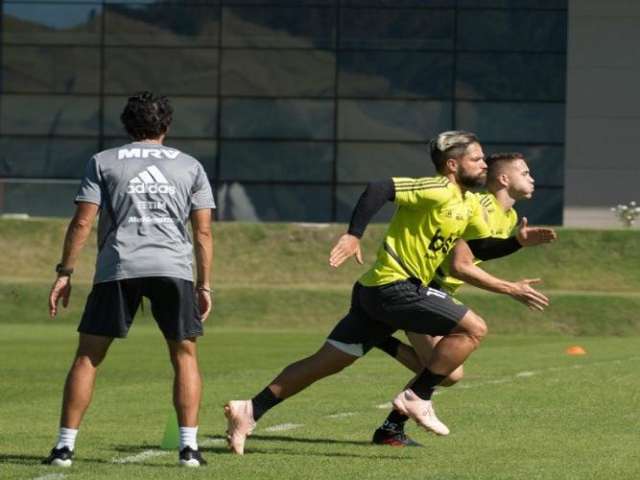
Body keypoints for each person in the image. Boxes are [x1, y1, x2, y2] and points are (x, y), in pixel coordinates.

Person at [224, 131, 555, 455]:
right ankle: (416, 397)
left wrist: (516, 243)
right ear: (452, 165)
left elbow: (476, 249)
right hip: (395, 286)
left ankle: (250, 410)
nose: (484, 164)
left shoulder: (466, 203)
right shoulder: (437, 187)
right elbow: (379, 188)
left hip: (378, 294)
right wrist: (354, 236)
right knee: (473, 328)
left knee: (325, 363)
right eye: (477, 159)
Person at [42, 92, 215, 468]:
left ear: (127, 125)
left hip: (118, 266)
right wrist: (203, 284)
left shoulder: (103, 161)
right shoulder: (190, 166)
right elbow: (202, 234)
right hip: (174, 268)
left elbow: (83, 222)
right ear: (166, 125)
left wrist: (64, 273)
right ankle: (189, 449)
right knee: (184, 355)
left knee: (88, 356)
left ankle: (63, 449)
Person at [371, 151, 548, 446]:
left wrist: (515, 243)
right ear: (504, 179)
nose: (532, 178)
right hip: (420, 289)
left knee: (447, 372)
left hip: (440, 292)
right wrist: (510, 288)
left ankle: (381, 344)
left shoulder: (511, 217)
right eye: (525, 172)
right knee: (448, 372)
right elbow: (460, 266)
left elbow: (477, 255)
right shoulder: (477, 206)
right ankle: (390, 423)